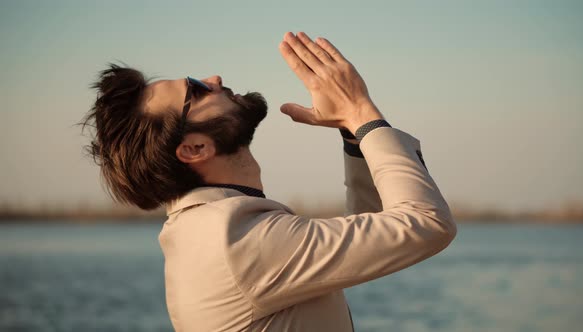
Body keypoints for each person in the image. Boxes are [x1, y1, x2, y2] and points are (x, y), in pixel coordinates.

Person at [82, 31, 456, 332]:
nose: (214, 79)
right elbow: (427, 223)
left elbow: (375, 238)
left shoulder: (212, 227)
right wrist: (360, 110)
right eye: (196, 90)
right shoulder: (231, 239)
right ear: (194, 148)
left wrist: (355, 132)